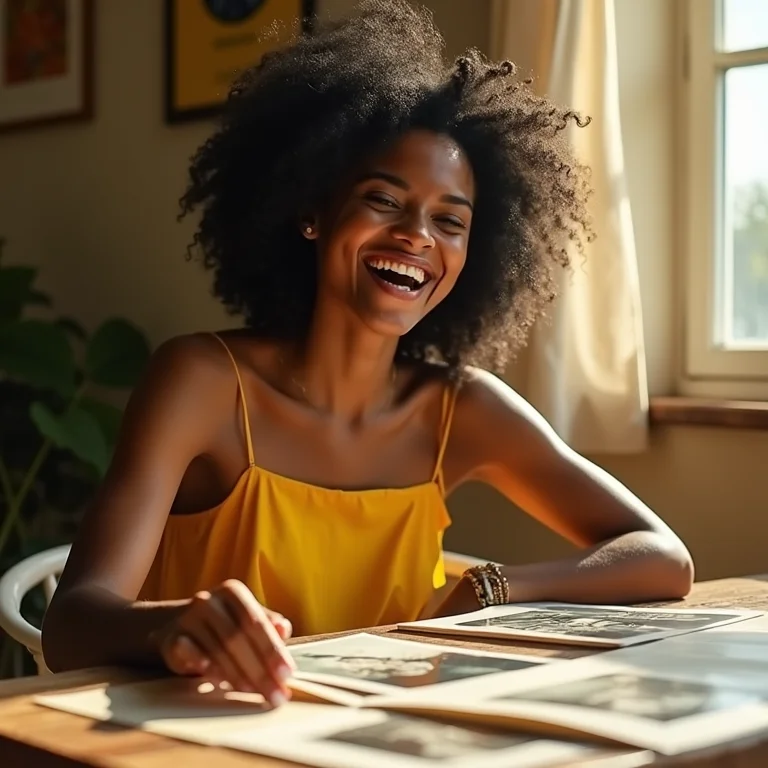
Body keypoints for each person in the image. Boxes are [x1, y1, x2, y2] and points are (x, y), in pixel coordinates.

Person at [42, 0, 693, 708]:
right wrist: (174, 627)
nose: (417, 235)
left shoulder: (457, 408)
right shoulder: (202, 383)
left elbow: (662, 558)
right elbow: (72, 624)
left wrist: (492, 586)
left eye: (450, 220)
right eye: (383, 200)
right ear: (312, 210)